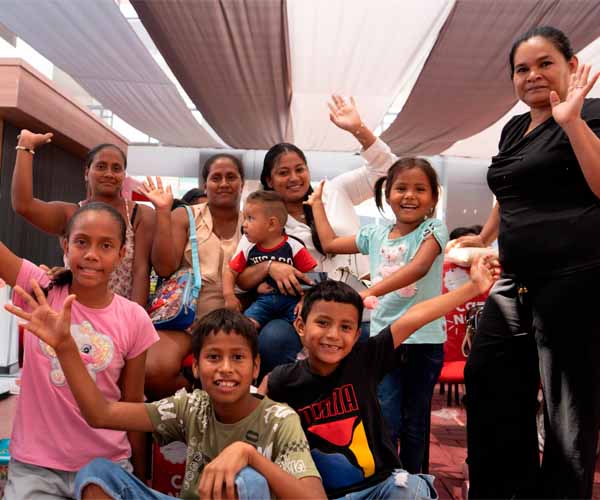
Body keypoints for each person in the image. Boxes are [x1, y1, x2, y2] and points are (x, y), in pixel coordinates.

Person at [455, 26, 600, 499]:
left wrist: (572, 121)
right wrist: (485, 235)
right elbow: (511, 186)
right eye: (522, 69)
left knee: (566, 407)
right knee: (487, 378)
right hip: (514, 278)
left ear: (571, 66)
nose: (533, 75)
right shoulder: (514, 128)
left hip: (574, 279)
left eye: (545, 64)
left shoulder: (592, 113)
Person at [5, 296, 327, 500]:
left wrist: (248, 455)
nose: (226, 368)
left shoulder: (280, 420)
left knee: (247, 480)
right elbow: (101, 414)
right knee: (97, 473)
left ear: (256, 366)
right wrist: (65, 348)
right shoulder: (191, 407)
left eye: (238, 358)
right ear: (196, 367)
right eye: (214, 357)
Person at [259, 255, 498, 499]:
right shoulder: (282, 380)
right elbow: (255, 408)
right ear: (300, 326)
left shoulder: (364, 360)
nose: (333, 335)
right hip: (322, 494)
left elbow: (413, 318)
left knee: (409, 490)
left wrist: (473, 287)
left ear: (356, 335)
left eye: (345, 327)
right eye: (323, 322)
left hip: (380, 487)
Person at [0, 202, 159, 498]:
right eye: (82, 242)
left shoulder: (134, 318)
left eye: (106, 245)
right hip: (36, 467)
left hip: (106, 467)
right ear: (66, 245)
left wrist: (139, 478)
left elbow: (132, 404)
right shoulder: (42, 290)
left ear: (121, 254)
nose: (91, 254)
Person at [236, 95, 398, 374]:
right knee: (273, 340)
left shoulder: (334, 191)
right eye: (283, 172)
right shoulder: (262, 222)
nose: (294, 177)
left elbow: (387, 171)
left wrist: (358, 129)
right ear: (269, 180)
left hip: (358, 303)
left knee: (378, 342)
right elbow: (241, 277)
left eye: (300, 169)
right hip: (297, 312)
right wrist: (269, 266)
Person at [306, 156, 448, 473]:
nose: (409, 195)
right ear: (387, 194)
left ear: (433, 198)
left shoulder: (433, 229)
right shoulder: (374, 234)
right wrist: (316, 205)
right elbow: (329, 242)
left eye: (420, 189)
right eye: (401, 188)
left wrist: (370, 292)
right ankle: (388, 479)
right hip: (385, 342)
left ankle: (415, 483)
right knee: (386, 416)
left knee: (415, 421)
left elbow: (419, 267)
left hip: (424, 340)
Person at [140, 154, 245, 399]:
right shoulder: (184, 216)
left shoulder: (253, 219)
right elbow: (164, 268)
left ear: (242, 183)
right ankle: (197, 404)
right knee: (153, 369)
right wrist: (163, 212)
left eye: (231, 177)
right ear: (205, 184)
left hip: (240, 321)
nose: (224, 183)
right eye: (216, 178)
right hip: (186, 323)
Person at [11, 131, 154, 307]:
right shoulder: (71, 214)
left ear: (124, 175)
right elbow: (24, 205)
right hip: (72, 311)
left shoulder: (140, 214)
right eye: (101, 166)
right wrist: (26, 146)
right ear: (87, 172)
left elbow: (141, 270)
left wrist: (135, 316)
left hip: (118, 315)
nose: (109, 173)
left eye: (116, 168)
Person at [225, 190, 317, 329]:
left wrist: (304, 301)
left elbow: (311, 277)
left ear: (271, 224)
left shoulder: (294, 247)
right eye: (244, 218)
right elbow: (230, 271)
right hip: (263, 303)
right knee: (245, 326)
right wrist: (229, 296)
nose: (244, 224)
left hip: (292, 302)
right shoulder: (249, 248)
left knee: (303, 326)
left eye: (250, 218)